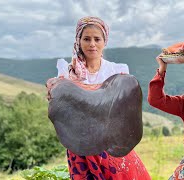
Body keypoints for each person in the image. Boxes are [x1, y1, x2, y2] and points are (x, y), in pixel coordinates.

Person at [48, 16, 150, 180]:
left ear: (105, 41)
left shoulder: (117, 71)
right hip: (79, 146)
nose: (92, 44)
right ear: (78, 40)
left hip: (111, 145)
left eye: (97, 39)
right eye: (86, 39)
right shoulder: (67, 72)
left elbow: (124, 108)